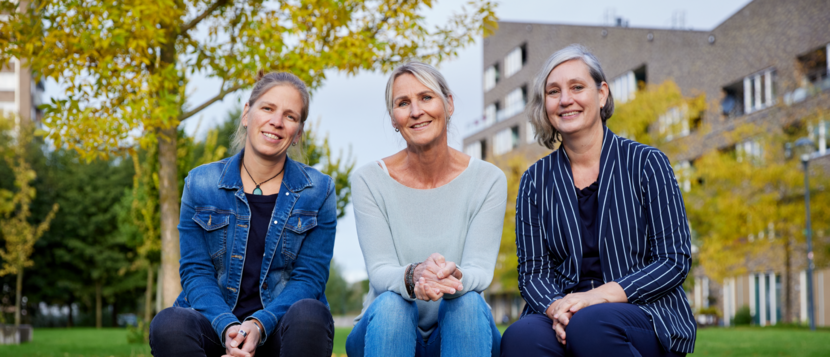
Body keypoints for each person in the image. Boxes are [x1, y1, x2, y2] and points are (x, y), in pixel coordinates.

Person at [500, 44, 696, 356]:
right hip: (563, 309)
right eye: (554, 92)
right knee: (520, 336)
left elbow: (674, 260)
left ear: (601, 94)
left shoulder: (646, 163)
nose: (566, 100)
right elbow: (533, 273)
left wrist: (598, 297)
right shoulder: (534, 181)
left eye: (577, 87)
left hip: (643, 312)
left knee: (591, 324)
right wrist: (556, 309)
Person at [149, 71, 337, 357]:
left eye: (290, 116)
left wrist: (259, 324)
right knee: (169, 323)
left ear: (298, 132)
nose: (276, 121)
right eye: (267, 108)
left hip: (281, 332)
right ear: (247, 114)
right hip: (214, 327)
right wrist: (228, 328)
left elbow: (309, 279)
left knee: (310, 314)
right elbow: (196, 272)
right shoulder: (200, 183)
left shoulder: (319, 190)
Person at [346, 62, 507, 357]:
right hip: (385, 328)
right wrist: (414, 276)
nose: (416, 111)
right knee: (393, 304)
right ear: (394, 118)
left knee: (466, 302)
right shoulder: (368, 180)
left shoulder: (488, 179)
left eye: (426, 97)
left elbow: (480, 270)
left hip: (462, 330)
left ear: (448, 104)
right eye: (403, 103)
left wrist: (450, 276)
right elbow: (380, 271)